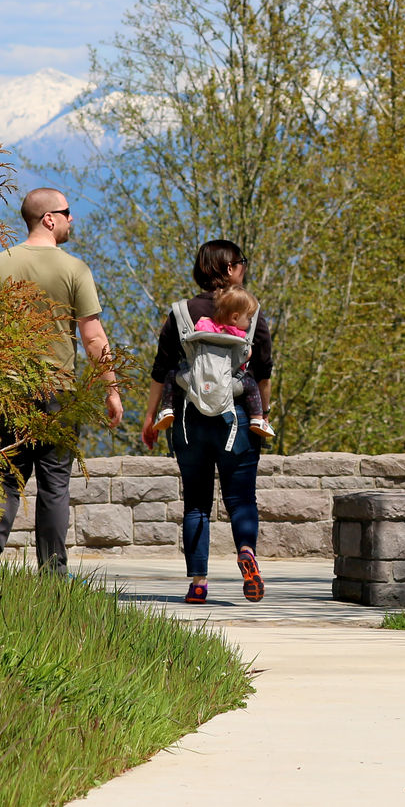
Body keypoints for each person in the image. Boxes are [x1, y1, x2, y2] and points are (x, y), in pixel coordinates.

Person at [0, 187, 122, 573]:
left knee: (6, 475)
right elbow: (92, 337)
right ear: (49, 219)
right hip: (58, 392)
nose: (73, 219)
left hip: (7, 390)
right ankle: (53, 569)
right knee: (54, 484)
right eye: (68, 212)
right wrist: (111, 389)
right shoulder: (74, 269)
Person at [142, 239, 272, 604]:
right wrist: (262, 415)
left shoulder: (180, 312)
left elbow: (162, 369)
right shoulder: (251, 311)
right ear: (228, 268)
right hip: (238, 419)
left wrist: (151, 418)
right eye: (241, 263)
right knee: (242, 498)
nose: (244, 268)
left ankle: (198, 582)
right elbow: (263, 371)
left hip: (187, 420)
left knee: (196, 503)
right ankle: (246, 551)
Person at [150, 285, 274, 444]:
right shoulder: (240, 334)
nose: (250, 322)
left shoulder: (207, 326)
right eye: (248, 318)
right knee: (251, 385)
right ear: (235, 318)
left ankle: (166, 409)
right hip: (229, 385)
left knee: (171, 376)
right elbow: (248, 354)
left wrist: (208, 320)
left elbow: (198, 326)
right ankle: (257, 419)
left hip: (196, 380)